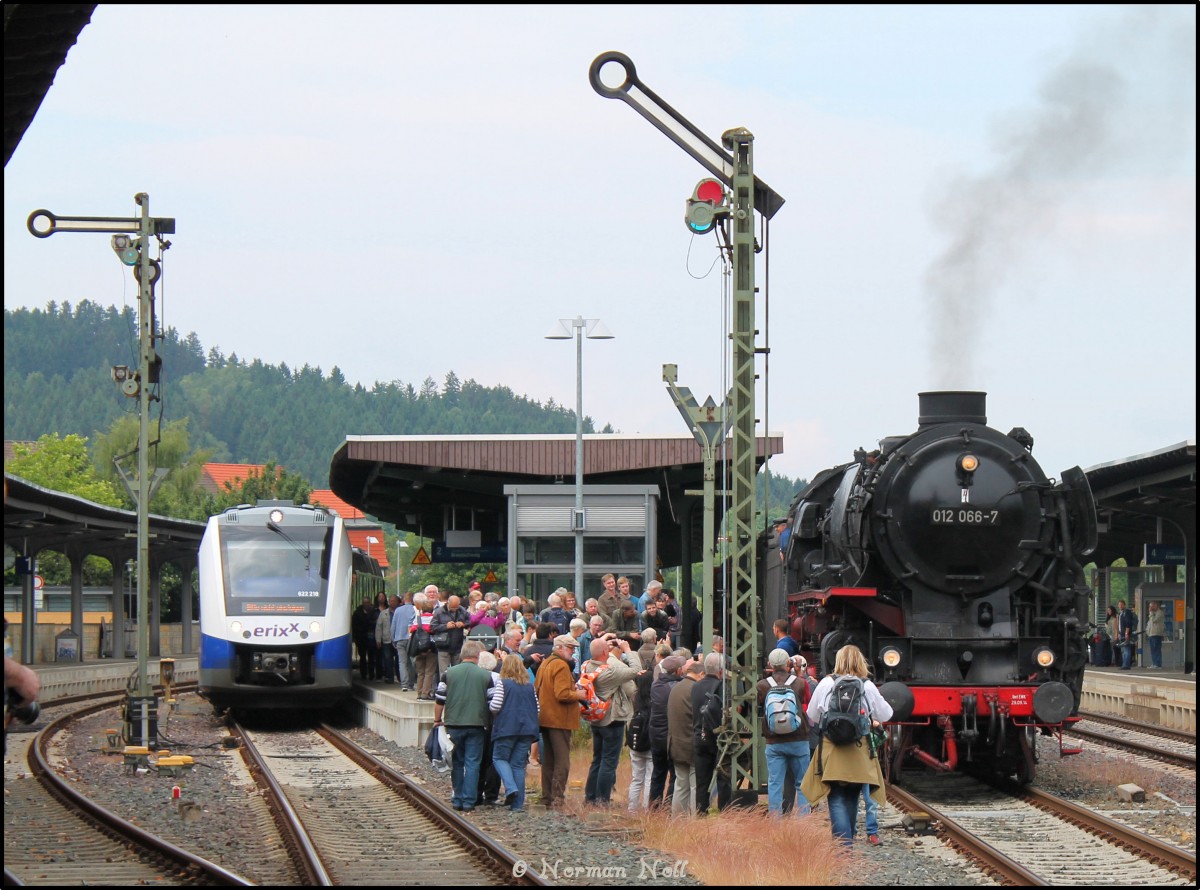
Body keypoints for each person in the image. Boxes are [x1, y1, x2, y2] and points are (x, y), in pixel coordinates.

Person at [802, 645, 893, 845]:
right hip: (859, 749)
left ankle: (843, 847)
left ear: (838, 661)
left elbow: (812, 716)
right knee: (852, 796)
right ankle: (846, 844)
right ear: (861, 662)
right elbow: (886, 714)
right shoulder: (867, 685)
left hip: (831, 748)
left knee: (836, 797)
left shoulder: (827, 683)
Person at [433, 639, 494, 812]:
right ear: (477, 656)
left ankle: (457, 799)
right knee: (473, 763)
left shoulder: (448, 673)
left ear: (461, 655)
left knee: (457, 762)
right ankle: (469, 801)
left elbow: (440, 699)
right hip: (477, 725)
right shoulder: (486, 676)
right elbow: (492, 703)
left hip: (454, 724)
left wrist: (437, 720)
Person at [580, 636, 641, 807]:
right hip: (611, 719)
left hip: (596, 718)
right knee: (608, 762)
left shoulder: (586, 665)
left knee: (597, 759)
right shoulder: (610, 672)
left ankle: (590, 797)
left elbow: (597, 650)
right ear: (605, 652)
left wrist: (602, 641)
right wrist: (627, 649)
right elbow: (636, 670)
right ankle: (602, 800)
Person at [534, 634, 586, 809]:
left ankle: (547, 797)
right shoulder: (561, 665)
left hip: (546, 718)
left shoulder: (546, 663)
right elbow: (562, 694)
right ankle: (557, 799)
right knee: (562, 761)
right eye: (570, 648)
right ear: (559, 648)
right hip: (559, 719)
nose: (572, 652)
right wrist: (578, 694)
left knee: (548, 760)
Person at [758, 648, 811, 817]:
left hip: (774, 741)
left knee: (775, 783)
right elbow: (806, 703)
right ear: (788, 663)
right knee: (802, 782)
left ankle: (775, 820)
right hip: (799, 739)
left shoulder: (762, 685)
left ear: (770, 664)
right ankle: (803, 820)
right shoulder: (800, 683)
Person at [489, 653, 540, 812]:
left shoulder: (503, 684)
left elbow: (495, 706)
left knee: (499, 758)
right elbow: (537, 709)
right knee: (517, 765)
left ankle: (510, 788)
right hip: (527, 730)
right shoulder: (529, 686)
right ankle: (517, 805)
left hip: (506, 728)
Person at [691, 652, 731, 814]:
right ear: (720, 670)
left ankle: (701, 812)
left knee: (702, 782)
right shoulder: (722, 687)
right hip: (719, 738)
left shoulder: (695, 687)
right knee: (723, 779)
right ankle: (724, 811)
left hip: (699, 737)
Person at [666, 658, 703, 814]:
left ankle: (677, 820)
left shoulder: (675, 688)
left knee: (680, 785)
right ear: (701, 674)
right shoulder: (695, 689)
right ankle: (694, 821)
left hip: (675, 744)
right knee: (695, 786)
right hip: (691, 746)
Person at [648, 654, 685, 808]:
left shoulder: (656, 685)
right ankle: (669, 808)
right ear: (677, 671)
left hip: (656, 736)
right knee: (675, 775)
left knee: (658, 774)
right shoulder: (677, 687)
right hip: (670, 737)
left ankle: (654, 808)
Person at [626, 646, 657, 811]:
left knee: (636, 778)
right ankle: (646, 810)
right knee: (649, 778)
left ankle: (631, 809)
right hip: (649, 742)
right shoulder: (654, 701)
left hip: (635, 741)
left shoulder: (634, 697)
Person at [410, 592, 439, 700]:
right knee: (429, 672)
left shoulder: (417, 619)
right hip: (431, 648)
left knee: (420, 672)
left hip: (419, 649)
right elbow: (435, 630)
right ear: (432, 610)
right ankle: (425, 693)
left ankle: (419, 692)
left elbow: (411, 630)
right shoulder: (434, 619)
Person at [391, 592, 416, 691]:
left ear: (403, 599)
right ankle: (410, 684)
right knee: (411, 662)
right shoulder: (415, 609)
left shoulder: (398, 610)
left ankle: (404, 684)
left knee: (402, 662)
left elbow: (393, 626)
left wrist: (393, 639)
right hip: (411, 639)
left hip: (400, 639)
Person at [352, 596, 377, 680]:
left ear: (370, 603)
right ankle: (363, 674)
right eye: (365, 602)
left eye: (368, 602)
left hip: (371, 638)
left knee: (371, 657)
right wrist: (356, 638)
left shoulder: (374, 612)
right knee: (362, 657)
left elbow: (376, 623)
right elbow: (354, 626)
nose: (366, 604)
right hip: (361, 639)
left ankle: (371, 674)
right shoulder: (357, 613)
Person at [375, 595, 395, 683]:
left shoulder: (399, 612)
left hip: (397, 639)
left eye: (394, 601)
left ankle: (400, 677)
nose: (392, 603)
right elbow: (379, 627)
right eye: (391, 601)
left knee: (398, 660)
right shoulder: (383, 613)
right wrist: (378, 639)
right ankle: (390, 677)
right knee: (387, 659)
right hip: (386, 640)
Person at [1117, 599, 1137, 670]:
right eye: (1119, 605)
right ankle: (1124, 664)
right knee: (1123, 650)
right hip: (1121, 633)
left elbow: (1128, 623)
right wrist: (1119, 633)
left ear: (1124, 605)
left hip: (1126, 633)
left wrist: (1126, 633)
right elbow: (1119, 625)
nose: (1120, 606)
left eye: (1121, 605)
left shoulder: (1127, 612)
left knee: (1127, 649)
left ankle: (1126, 664)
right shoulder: (1120, 613)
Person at [1145, 601, 1165, 669]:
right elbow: (1149, 623)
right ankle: (1154, 663)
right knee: (1153, 649)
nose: (1150, 608)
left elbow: (1154, 620)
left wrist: (1151, 613)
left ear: (1156, 606)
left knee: (1156, 649)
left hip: (1156, 634)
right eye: (1150, 606)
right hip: (1151, 634)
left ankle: (1158, 664)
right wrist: (1147, 631)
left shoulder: (1159, 613)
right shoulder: (1153, 614)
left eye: (1152, 606)